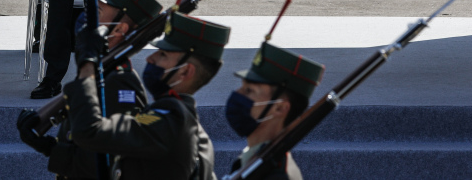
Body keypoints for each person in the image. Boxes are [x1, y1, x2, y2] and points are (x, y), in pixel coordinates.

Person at [17, 0, 164, 178]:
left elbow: (106, 160)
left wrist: (54, 151)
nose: (87, 16)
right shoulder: (102, 72)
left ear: (120, 28)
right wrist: (49, 147)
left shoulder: (120, 83)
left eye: (98, 11)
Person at [63, 13, 230, 180]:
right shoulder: (188, 126)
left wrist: (87, 62)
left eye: (163, 54)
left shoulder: (169, 120)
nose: (150, 58)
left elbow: (90, 131)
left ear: (185, 71)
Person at [225, 41, 325, 180]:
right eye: (241, 87)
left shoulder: (276, 174)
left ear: (279, 108)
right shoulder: (255, 158)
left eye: (249, 90)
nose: (237, 93)